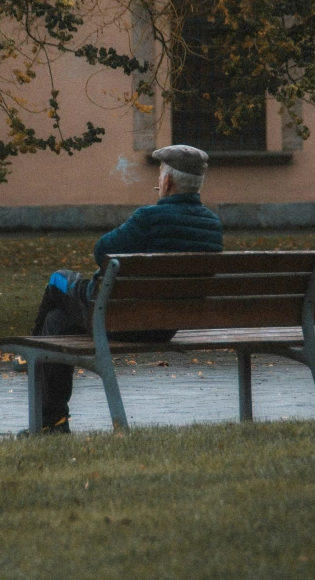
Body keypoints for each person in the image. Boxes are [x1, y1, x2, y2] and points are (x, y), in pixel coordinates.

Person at [30, 144, 223, 433]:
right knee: (55, 322)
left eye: (160, 174)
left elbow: (101, 251)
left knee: (58, 279)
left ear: (167, 181)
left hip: (116, 319)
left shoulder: (148, 218)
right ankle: (52, 424)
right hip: (165, 326)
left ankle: (29, 353)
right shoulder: (212, 225)